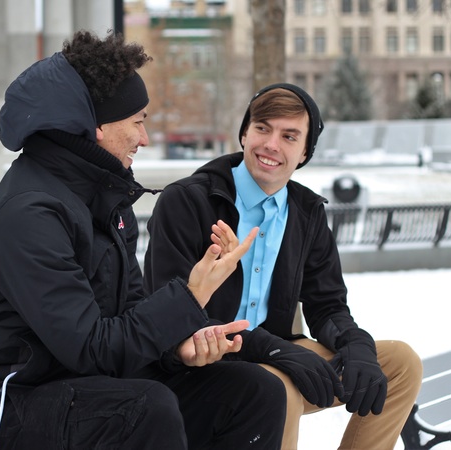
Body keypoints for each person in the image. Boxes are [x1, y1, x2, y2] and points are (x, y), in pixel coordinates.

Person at [0, 31, 289, 450]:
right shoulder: (30, 211)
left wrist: (178, 348)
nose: (144, 137)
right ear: (97, 127)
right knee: (144, 407)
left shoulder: (104, 199)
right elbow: (90, 347)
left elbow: (126, 319)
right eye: (138, 121)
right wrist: (191, 295)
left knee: (253, 392)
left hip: (81, 388)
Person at [143, 83, 424, 449]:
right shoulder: (188, 201)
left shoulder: (306, 213)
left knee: (400, 363)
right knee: (277, 388)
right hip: (203, 361)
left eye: (289, 136)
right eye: (263, 128)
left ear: (305, 151)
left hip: (279, 353)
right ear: (244, 132)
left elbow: (328, 305)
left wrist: (356, 345)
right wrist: (274, 350)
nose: (272, 145)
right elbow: (170, 312)